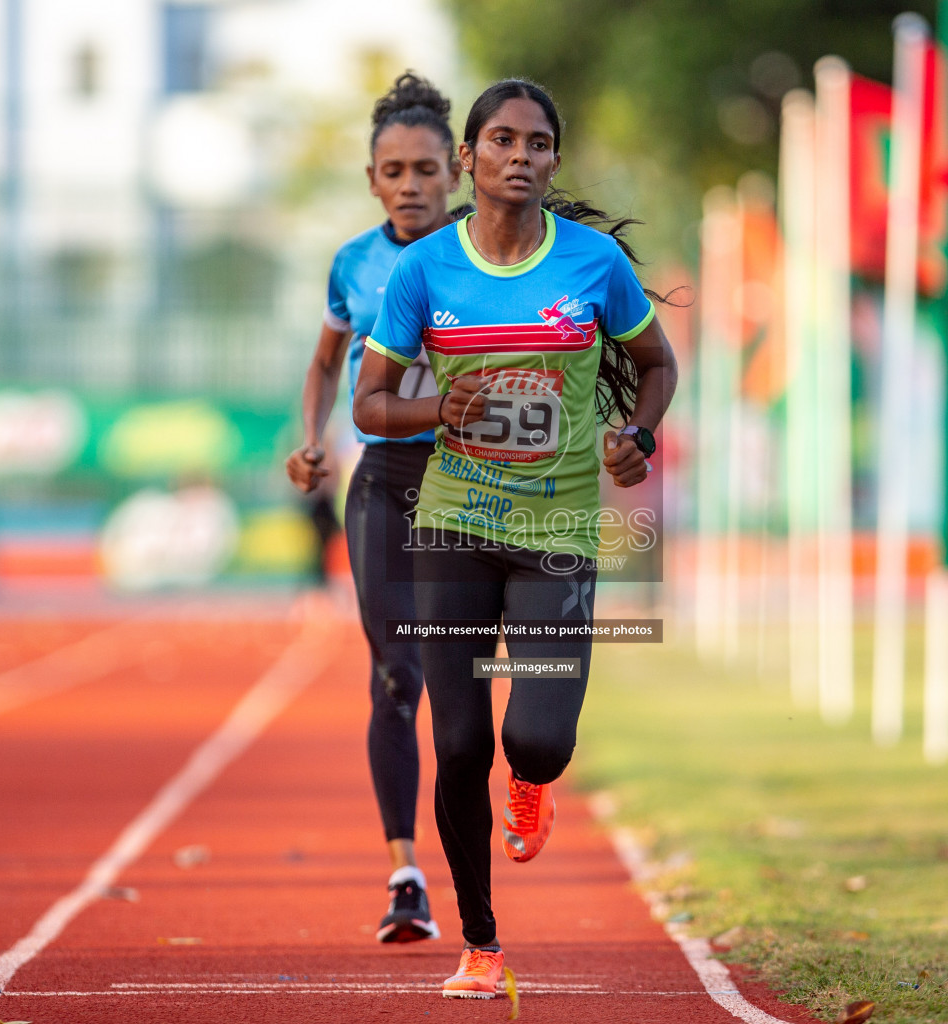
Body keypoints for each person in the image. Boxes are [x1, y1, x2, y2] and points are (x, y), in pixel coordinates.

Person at [352, 78, 677, 999]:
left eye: (538, 144)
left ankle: (533, 782)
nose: (520, 157)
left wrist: (637, 435)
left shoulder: (593, 263)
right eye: (502, 141)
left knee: (534, 738)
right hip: (452, 526)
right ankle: (481, 945)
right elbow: (372, 403)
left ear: (553, 163)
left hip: (558, 531)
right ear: (470, 158)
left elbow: (656, 363)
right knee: (458, 743)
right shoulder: (424, 273)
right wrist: (432, 406)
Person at [284, 71, 461, 945]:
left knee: (472, 673)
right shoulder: (353, 263)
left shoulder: (490, 255)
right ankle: (405, 875)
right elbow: (324, 361)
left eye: (426, 168)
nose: (411, 185)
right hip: (386, 480)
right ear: (372, 180)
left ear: (456, 173)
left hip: (478, 484)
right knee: (397, 675)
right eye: (393, 170)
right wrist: (311, 435)